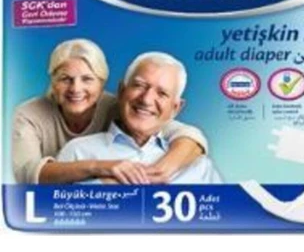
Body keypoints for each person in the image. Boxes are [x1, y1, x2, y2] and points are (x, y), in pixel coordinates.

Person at [13, 40, 208, 185]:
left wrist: (162, 171)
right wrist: (103, 169)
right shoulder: (29, 115)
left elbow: (179, 130)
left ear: (102, 83)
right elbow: (26, 175)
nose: (76, 89)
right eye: (65, 79)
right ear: (52, 80)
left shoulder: (122, 106)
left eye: (87, 79)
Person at [57, 52, 222, 184]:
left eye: (162, 93)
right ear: (121, 91)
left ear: (176, 108)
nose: (146, 100)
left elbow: (226, 215)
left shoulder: (198, 167)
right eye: (139, 86)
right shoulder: (77, 152)